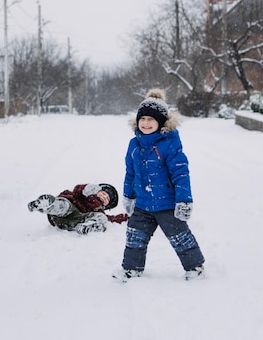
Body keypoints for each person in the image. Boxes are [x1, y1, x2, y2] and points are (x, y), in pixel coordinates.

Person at [113, 89, 205, 282]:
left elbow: (181, 174)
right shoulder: (134, 145)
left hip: (167, 204)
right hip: (143, 204)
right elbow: (130, 173)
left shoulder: (170, 145)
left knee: (180, 236)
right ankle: (132, 268)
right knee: (135, 235)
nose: (146, 123)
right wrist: (129, 195)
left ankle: (195, 267)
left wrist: (184, 201)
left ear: (161, 122)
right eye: (143, 119)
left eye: (151, 120)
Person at [28, 183, 128, 235]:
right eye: (103, 193)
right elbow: (77, 190)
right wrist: (86, 188)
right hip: (65, 210)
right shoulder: (85, 194)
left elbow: (113, 219)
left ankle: (88, 227)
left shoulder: (99, 210)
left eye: (107, 199)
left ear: (106, 206)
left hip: (74, 220)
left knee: (102, 218)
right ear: (97, 191)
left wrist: (129, 217)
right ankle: (47, 206)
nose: (104, 197)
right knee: (65, 206)